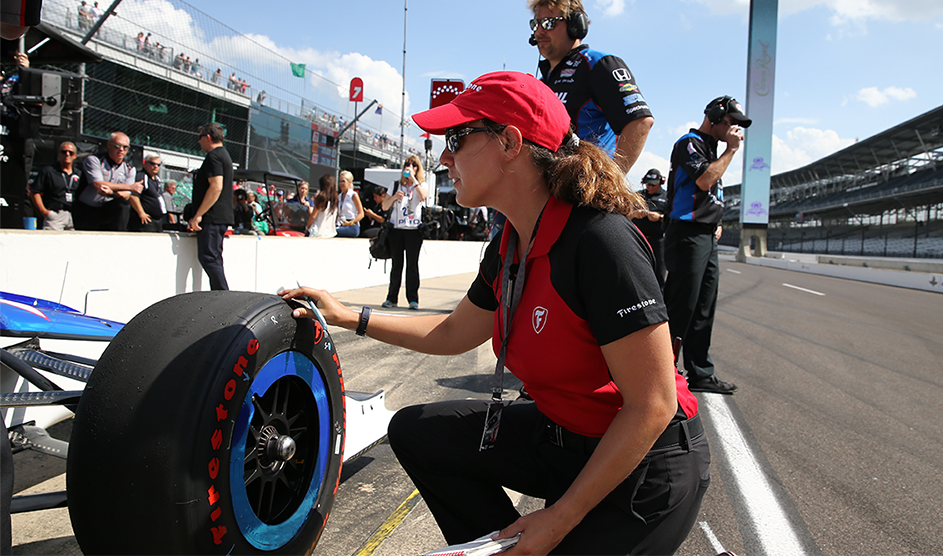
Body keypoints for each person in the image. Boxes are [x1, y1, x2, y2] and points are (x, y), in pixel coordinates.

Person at [279, 71, 708, 556]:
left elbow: (652, 404)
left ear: (510, 143)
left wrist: (559, 519)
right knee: (417, 432)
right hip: (560, 438)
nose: (443, 158)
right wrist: (346, 316)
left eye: (457, 139)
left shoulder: (601, 241)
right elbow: (454, 331)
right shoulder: (509, 243)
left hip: (644, 464)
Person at [663, 96, 751, 395]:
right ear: (715, 117)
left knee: (704, 306)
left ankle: (700, 372)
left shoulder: (713, 149)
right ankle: (662, 370)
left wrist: (717, 221)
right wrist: (731, 150)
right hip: (686, 234)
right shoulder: (689, 142)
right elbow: (703, 180)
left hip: (706, 234)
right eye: (732, 123)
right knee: (681, 305)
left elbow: (711, 193)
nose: (736, 129)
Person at [528, 0, 653, 174]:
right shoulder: (542, 82)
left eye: (549, 23)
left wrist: (611, 181)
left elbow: (640, 122)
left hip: (584, 191)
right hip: (549, 190)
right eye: (536, 24)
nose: (539, 31)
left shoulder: (599, 64)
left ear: (575, 25)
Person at [189, 122, 234, 291]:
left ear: (207, 137)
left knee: (209, 258)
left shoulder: (214, 156)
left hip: (212, 217)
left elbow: (216, 186)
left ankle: (223, 296)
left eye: (200, 137)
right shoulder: (224, 155)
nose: (199, 142)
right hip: (218, 217)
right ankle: (221, 295)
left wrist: (198, 215)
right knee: (213, 258)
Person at [381, 155, 426, 309]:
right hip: (397, 230)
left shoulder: (421, 184)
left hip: (414, 230)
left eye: (414, 165)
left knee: (412, 265)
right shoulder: (395, 185)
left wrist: (414, 180)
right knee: (396, 265)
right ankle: (391, 298)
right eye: (407, 164)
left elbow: (423, 196)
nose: (409, 166)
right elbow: (384, 206)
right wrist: (394, 197)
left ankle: (413, 299)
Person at [74, 132, 143, 231]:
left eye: (125, 147)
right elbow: (98, 184)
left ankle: (119, 238)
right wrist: (130, 187)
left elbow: (126, 195)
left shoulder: (130, 168)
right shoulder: (94, 160)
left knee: (123, 205)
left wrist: (111, 192)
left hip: (108, 206)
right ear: (109, 145)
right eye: (117, 146)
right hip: (87, 207)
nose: (121, 150)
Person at [631, 168, 669, 290]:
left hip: (658, 242)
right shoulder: (637, 196)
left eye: (653, 185)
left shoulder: (667, 197)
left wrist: (660, 217)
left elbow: (674, 219)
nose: (650, 187)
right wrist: (635, 214)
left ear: (661, 182)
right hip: (638, 240)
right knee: (636, 272)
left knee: (658, 275)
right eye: (648, 184)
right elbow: (625, 215)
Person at [30, 141, 80, 230]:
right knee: (52, 242)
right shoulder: (48, 171)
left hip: (74, 215)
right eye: (64, 152)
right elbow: (34, 192)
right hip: (55, 215)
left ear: (75, 156)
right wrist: (44, 211)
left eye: (70, 153)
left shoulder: (79, 174)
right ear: (59, 154)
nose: (67, 154)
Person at [128, 152, 166, 232]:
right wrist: (141, 213)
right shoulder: (142, 176)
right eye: (152, 163)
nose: (155, 166)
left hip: (157, 221)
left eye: (158, 165)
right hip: (146, 221)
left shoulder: (157, 179)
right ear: (145, 163)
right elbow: (133, 196)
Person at [306, 174, 338, 238]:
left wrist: (307, 227)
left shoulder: (321, 197)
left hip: (317, 232)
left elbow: (313, 216)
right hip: (330, 233)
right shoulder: (335, 199)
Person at [336, 170, 363, 237]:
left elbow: (361, 214)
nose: (341, 184)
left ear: (349, 182)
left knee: (333, 232)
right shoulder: (339, 196)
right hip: (341, 222)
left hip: (351, 225)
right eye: (340, 181)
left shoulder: (353, 195)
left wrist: (350, 223)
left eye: (343, 181)